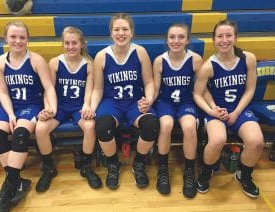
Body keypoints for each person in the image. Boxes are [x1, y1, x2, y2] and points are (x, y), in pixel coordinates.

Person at [0, 21, 57, 212]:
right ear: (6, 38)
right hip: (10, 106)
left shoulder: (36, 60)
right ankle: (16, 180)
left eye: (22, 37)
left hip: (31, 106)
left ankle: (10, 186)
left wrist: (51, 108)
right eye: (13, 37)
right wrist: (10, 114)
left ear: (28, 39)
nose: (18, 41)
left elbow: (49, 87)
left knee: (20, 134)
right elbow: (2, 92)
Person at [193, 19, 264, 198]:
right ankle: (206, 172)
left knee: (256, 142)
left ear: (236, 37)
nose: (224, 40)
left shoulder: (248, 59)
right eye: (220, 36)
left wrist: (237, 112)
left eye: (228, 35)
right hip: (217, 112)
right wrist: (212, 111)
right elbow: (197, 94)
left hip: (239, 109)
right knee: (217, 139)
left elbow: (250, 89)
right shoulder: (208, 66)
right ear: (213, 40)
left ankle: (244, 174)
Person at [91, 13, 159, 190]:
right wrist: (91, 107)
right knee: (102, 125)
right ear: (111, 32)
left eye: (125, 29)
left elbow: (149, 82)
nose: (121, 33)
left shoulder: (140, 52)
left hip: (134, 102)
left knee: (151, 124)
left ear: (132, 32)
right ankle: (113, 164)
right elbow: (97, 88)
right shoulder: (101, 56)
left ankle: (139, 162)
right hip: (111, 102)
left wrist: (149, 100)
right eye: (117, 29)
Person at [35, 26, 102, 192]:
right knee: (40, 128)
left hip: (78, 107)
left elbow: (90, 91)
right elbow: (48, 89)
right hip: (60, 106)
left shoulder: (89, 64)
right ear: (62, 44)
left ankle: (86, 166)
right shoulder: (55, 62)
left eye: (74, 43)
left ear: (82, 44)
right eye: (67, 43)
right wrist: (49, 108)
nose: (71, 46)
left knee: (90, 126)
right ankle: (49, 168)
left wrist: (87, 106)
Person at [153, 23, 203, 197]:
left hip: (186, 102)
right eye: (172, 37)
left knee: (189, 126)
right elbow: (155, 88)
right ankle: (163, 169)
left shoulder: (195, 59)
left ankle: (189, 172)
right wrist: (147, 101)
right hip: (165, 102)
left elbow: (201, 88)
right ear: (167, 39)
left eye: (181, 37)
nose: (176, 40)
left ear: (187, 39)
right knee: (166, 125)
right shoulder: (159, 61)